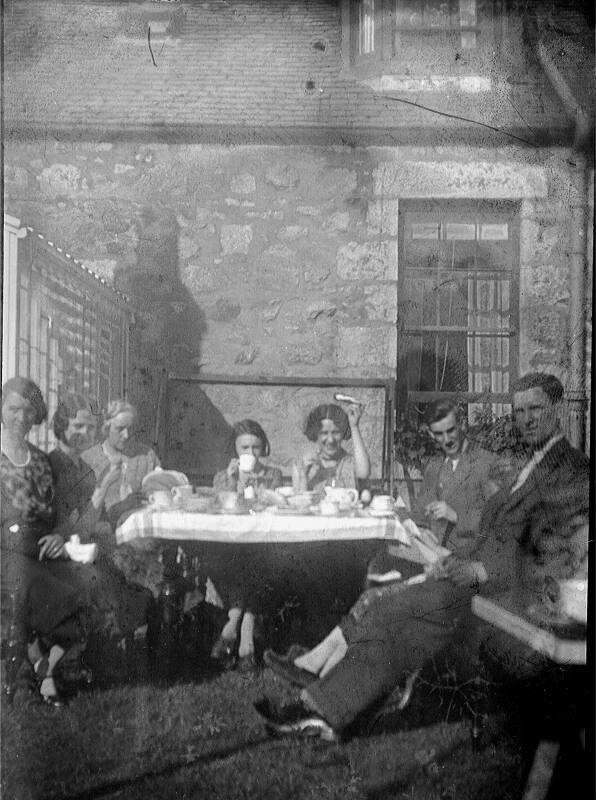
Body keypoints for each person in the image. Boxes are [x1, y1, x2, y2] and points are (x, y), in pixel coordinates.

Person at [255, 373, 590, 741]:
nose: (527, 419)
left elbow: (555, 554)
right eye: (520, 411)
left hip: (509, 599)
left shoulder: (571, 470)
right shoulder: (531, 462)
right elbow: (499, 534)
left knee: (393, 608)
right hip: (475, 578)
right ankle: (326, 707)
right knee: (385, 607)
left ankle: (323, 709)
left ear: (556, 409)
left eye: (536, 409)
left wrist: (479, 568)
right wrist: (455, 560)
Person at [1, 378, 88, 705]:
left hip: (39, 545)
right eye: (13, 408)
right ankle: (34, 675)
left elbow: (55, 512)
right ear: (1, 408)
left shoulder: (39, 459)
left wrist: (57, 536)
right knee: (38, 589)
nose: (21, 417)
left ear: (37, 414)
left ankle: (43, 667)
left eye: (28, 410)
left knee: (87, 585)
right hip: (4, 548)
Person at [48, 393, 152, 639]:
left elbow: (96, 520)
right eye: (78, 426)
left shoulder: (83, 468)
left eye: (90, 427)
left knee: (138, 570)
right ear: (62, 425)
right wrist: (104, 487)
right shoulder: (54, 464)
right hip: (60, 550)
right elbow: (72, 528)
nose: (85, 433)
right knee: (121, 571)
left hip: (85, 543)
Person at [367, 398, 500, 584]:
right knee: (377, 563)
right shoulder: (434, 466)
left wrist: (456, 516)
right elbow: (420, 514)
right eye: (439, 434)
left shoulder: (486, 463)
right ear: (430, 434)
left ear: (461, 424)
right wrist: (421, 527)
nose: (447, 439)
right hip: (430, 555)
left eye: (451, 430)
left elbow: (499, 523)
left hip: (466, 564)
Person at [211, 420, 282, 672]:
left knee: (258, 559)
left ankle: (237, 623)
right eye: (244, 448)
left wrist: (259, 490)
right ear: (235, 450)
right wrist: (233, 482)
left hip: (262, 543)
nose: (250, 454)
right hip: (231, 545)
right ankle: (245, 630)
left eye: (256, 447)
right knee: (237, 559)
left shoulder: (272, 474)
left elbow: (272, 506)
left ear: (263, 449)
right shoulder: (224, 475)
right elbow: (220, 508)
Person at [82, 399, 160, 529]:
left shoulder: (147, 456)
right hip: (102, 534)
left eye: (130, 428)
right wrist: (120, 508)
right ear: (106, 428)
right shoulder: (88, 460)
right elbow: (82, 515)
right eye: (120, 429)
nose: (126, 435)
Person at [292, 403, 370, 494]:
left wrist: (354, 426)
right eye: (324, 433)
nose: (330, 440)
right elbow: (298, 503)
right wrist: (303, 476)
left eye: (336, 432)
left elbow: (363, 473)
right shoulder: (302, 465)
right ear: (315, 434)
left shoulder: (350, 462)